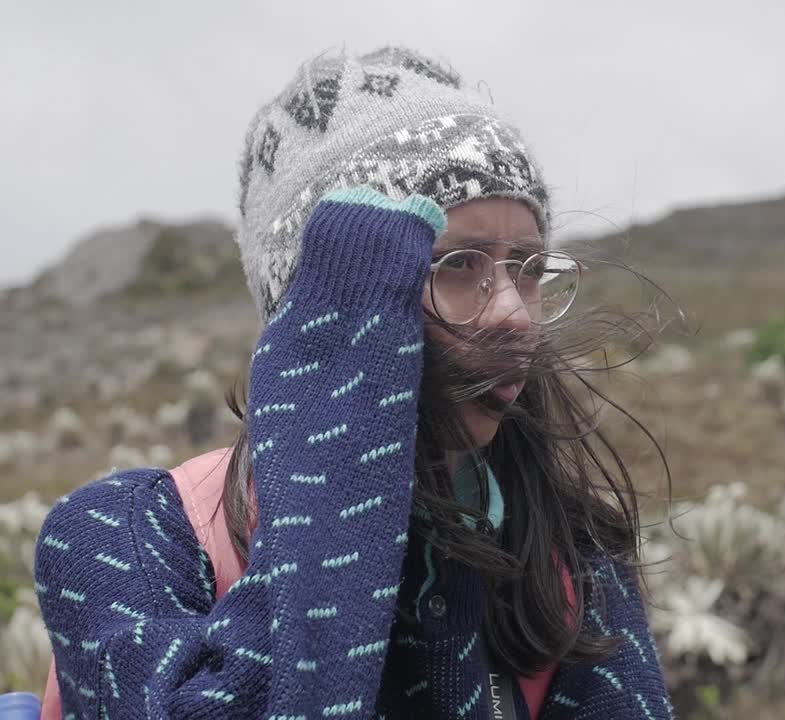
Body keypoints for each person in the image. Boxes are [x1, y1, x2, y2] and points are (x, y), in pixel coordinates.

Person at [34, 46, 673, 719]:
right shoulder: (121, 536)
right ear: (319, 303)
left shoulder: (571, 555)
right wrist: (337, 432)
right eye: (458, 263)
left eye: (529, 269)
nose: (514, 314)